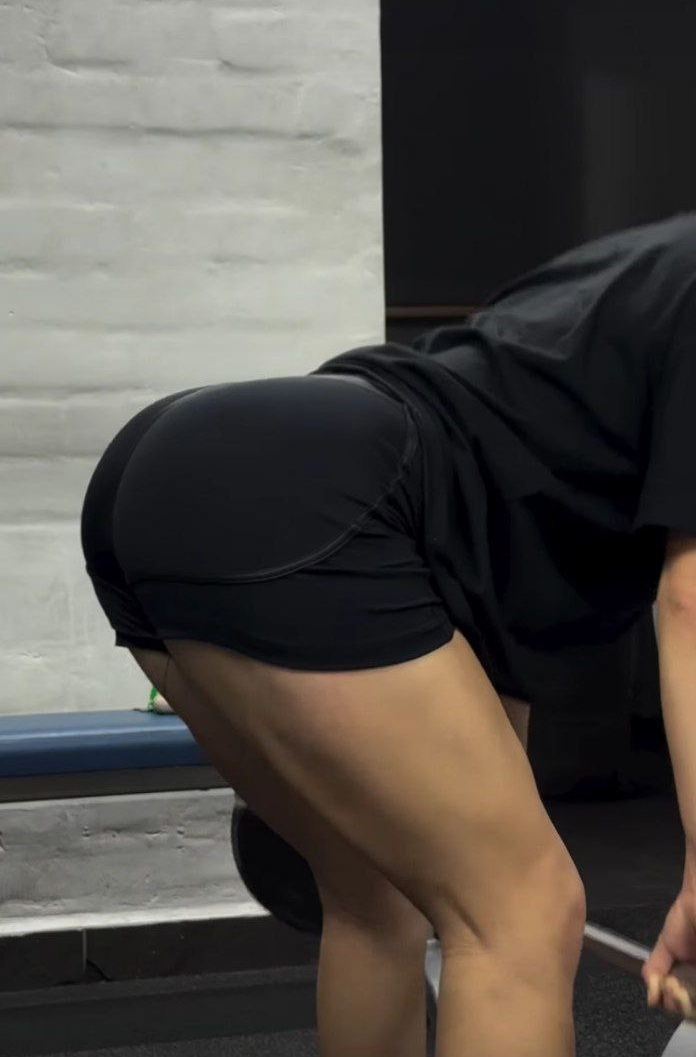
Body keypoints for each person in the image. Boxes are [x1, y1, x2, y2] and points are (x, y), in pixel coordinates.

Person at [81, 213, 696, 1056]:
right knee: (522, 912)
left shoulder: (642, 272)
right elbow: (689, 597)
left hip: (185, 471)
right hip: (311, 496)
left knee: (379, 899)